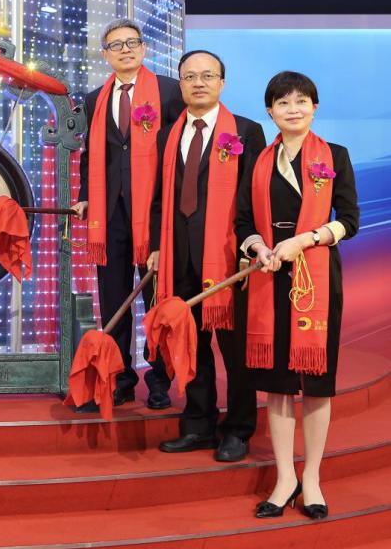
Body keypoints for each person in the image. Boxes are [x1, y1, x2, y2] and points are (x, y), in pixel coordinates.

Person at [237, 71, 358, 519]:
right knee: (280, 385)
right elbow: (242, 221)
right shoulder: (257, 161)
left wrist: (305, 240)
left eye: (301, 101)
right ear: (270, 111)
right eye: (283, 102)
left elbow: (350, 219)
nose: (293, 109)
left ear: (314, 107)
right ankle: (285, 477)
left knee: (316, 384)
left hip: (317, 277)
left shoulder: (335, 155)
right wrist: (259, 249)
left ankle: (312, 479)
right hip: (270, 276)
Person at [148, 50, 265, 462]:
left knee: (235, 352)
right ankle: (198, 425)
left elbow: (255, 199)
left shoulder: (246, 132)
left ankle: (238, 429)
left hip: (229, 259)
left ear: (221, 83)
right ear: (180, 84)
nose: (198, 83)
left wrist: (251, 248)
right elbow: (159, 198)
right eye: (190, 76)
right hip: (178, 257)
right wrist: (157, 247)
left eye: (207, 76)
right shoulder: (166, 135)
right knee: (190, 344)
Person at [73, 18, 185, 410]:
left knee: (157, 297)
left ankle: (159, 379)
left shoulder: (169, 91)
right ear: (105, 55)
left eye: (131, 42)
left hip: (154, 212)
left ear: (144, 48)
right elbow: (90, 155)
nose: (125, 50)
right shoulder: (94, 99)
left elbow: (179, 150)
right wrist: (85, 196)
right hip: (110, 214)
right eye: (116, 45)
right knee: (113, 299)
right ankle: (121, 377)